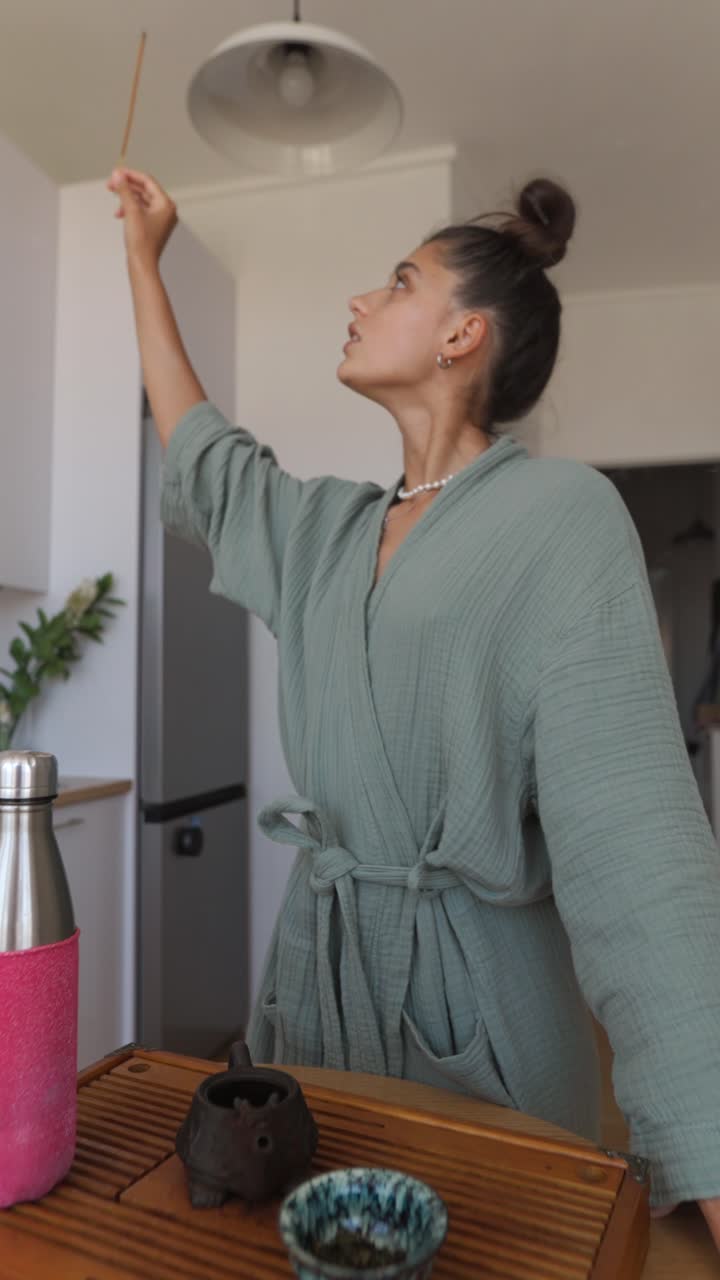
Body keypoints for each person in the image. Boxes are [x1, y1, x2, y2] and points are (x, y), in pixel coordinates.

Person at [108, 166, 720, 1242]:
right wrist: (143, 258)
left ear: (463, 335)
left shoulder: (562, 516)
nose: (359, 300)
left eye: (397, 282)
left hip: (483, 1020)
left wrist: (709, 1146)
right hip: (314, 1004)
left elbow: (635, 844)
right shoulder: (328, 532)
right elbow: (204, 453)